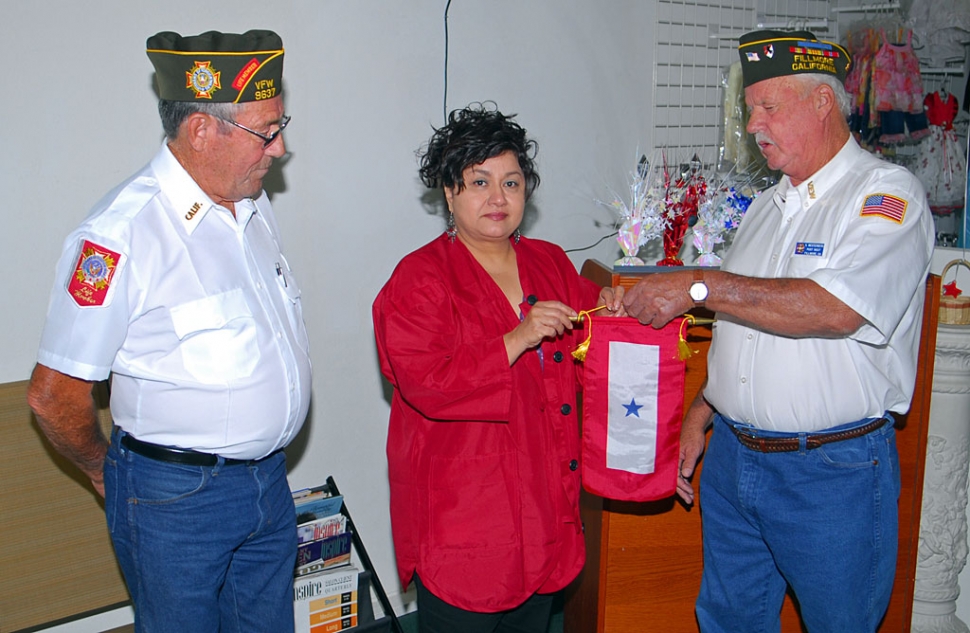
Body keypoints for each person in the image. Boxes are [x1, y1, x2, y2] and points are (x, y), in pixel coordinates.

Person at [622, 30, 935, 632]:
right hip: (736, 463)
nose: (754, 124)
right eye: (749, 110)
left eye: (770, 106)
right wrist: (702, 410)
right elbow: (749, 326)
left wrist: (699, 284)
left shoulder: (884, 196)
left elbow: (834, 309)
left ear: (823, 102)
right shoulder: (766, 208)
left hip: (829, 473)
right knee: (728, 621)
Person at [26, 30, 310, 632]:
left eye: (281, 124)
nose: (281, 147)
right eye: (266, 130)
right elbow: (53, 397)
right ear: (203, 130)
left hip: (267, 484)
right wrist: (108, 471)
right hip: (175, 503)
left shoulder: (251, 206)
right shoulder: (120, 237)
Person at [372, 102, 625, 633]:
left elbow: (593, 332)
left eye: (511, 183)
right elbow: (426, 383)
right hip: (467, 520)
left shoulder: (550, 262)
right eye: (479, 181)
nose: (497, 198)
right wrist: (517, 337)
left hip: (545, 507)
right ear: (449, 192)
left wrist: (614, 302)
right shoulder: (419, 279)